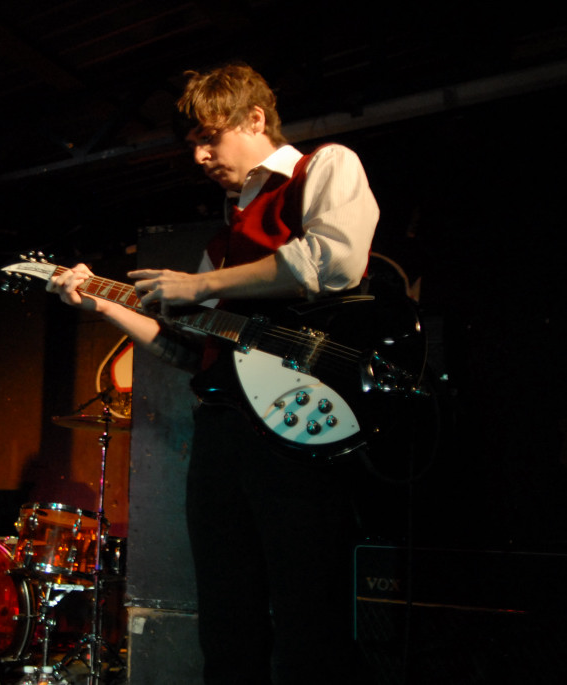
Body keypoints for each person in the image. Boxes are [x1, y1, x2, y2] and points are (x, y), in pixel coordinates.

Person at [47, 63, 378, 684]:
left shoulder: (324, 166)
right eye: (193, 144)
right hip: (223, 432)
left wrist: (201, 286)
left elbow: (333, 260)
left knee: (309, 617)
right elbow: (185, 349)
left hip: (297, 432)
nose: (199, 156)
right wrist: (104, 304)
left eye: (210, 137)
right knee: (226, 619)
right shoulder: (223, 242)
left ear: (254, 118)